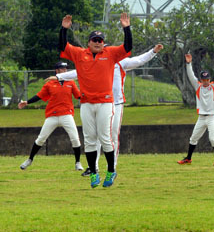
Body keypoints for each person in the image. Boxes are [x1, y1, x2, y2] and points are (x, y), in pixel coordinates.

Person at [54, 44, 164, 176]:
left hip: (116, 103)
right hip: (99, 102)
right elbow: (78, 72)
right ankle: (93, 167)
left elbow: (139, 60)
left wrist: (153, 51)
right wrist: (59, 77)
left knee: (111, 135)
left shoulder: (120, 62)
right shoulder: (93, 62)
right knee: (96, 135)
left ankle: (112, 167)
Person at [59, 13, 132, 188]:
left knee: (105, 137)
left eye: (100, 40)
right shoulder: (79, 54)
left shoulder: (111, 53)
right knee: (90, 139)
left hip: (105, 103)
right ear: (89, 42)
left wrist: (126, 28)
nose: (98, 42)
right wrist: (64, 30)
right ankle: (93, 172)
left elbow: (128, 47)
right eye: (94, 39)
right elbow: (62, 47)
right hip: (86, 103)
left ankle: (111, 170)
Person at [18, 62, 83, 171]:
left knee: (75, 139)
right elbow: (39, 95)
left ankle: (77, 163)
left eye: (66, 68)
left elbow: (79, 96)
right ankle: (29, 160)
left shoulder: (70, 82)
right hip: (52, 115)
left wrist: (90, 97)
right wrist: (27, 102)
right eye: (62, 69)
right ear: (57, 71)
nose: (65, 70)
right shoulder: (50, 83)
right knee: (41, 139)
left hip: (66, 114)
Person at [177, 53, 214, 166]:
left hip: (212, 117)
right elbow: (191, 76)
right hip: (201, 117)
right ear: (201, 79)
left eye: (207, 79)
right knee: (193, 138)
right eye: (204, 79)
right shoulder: (198, 86)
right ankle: (188, 158)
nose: (205, 81)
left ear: (209, 79)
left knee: (213, 139)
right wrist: (188, 63)